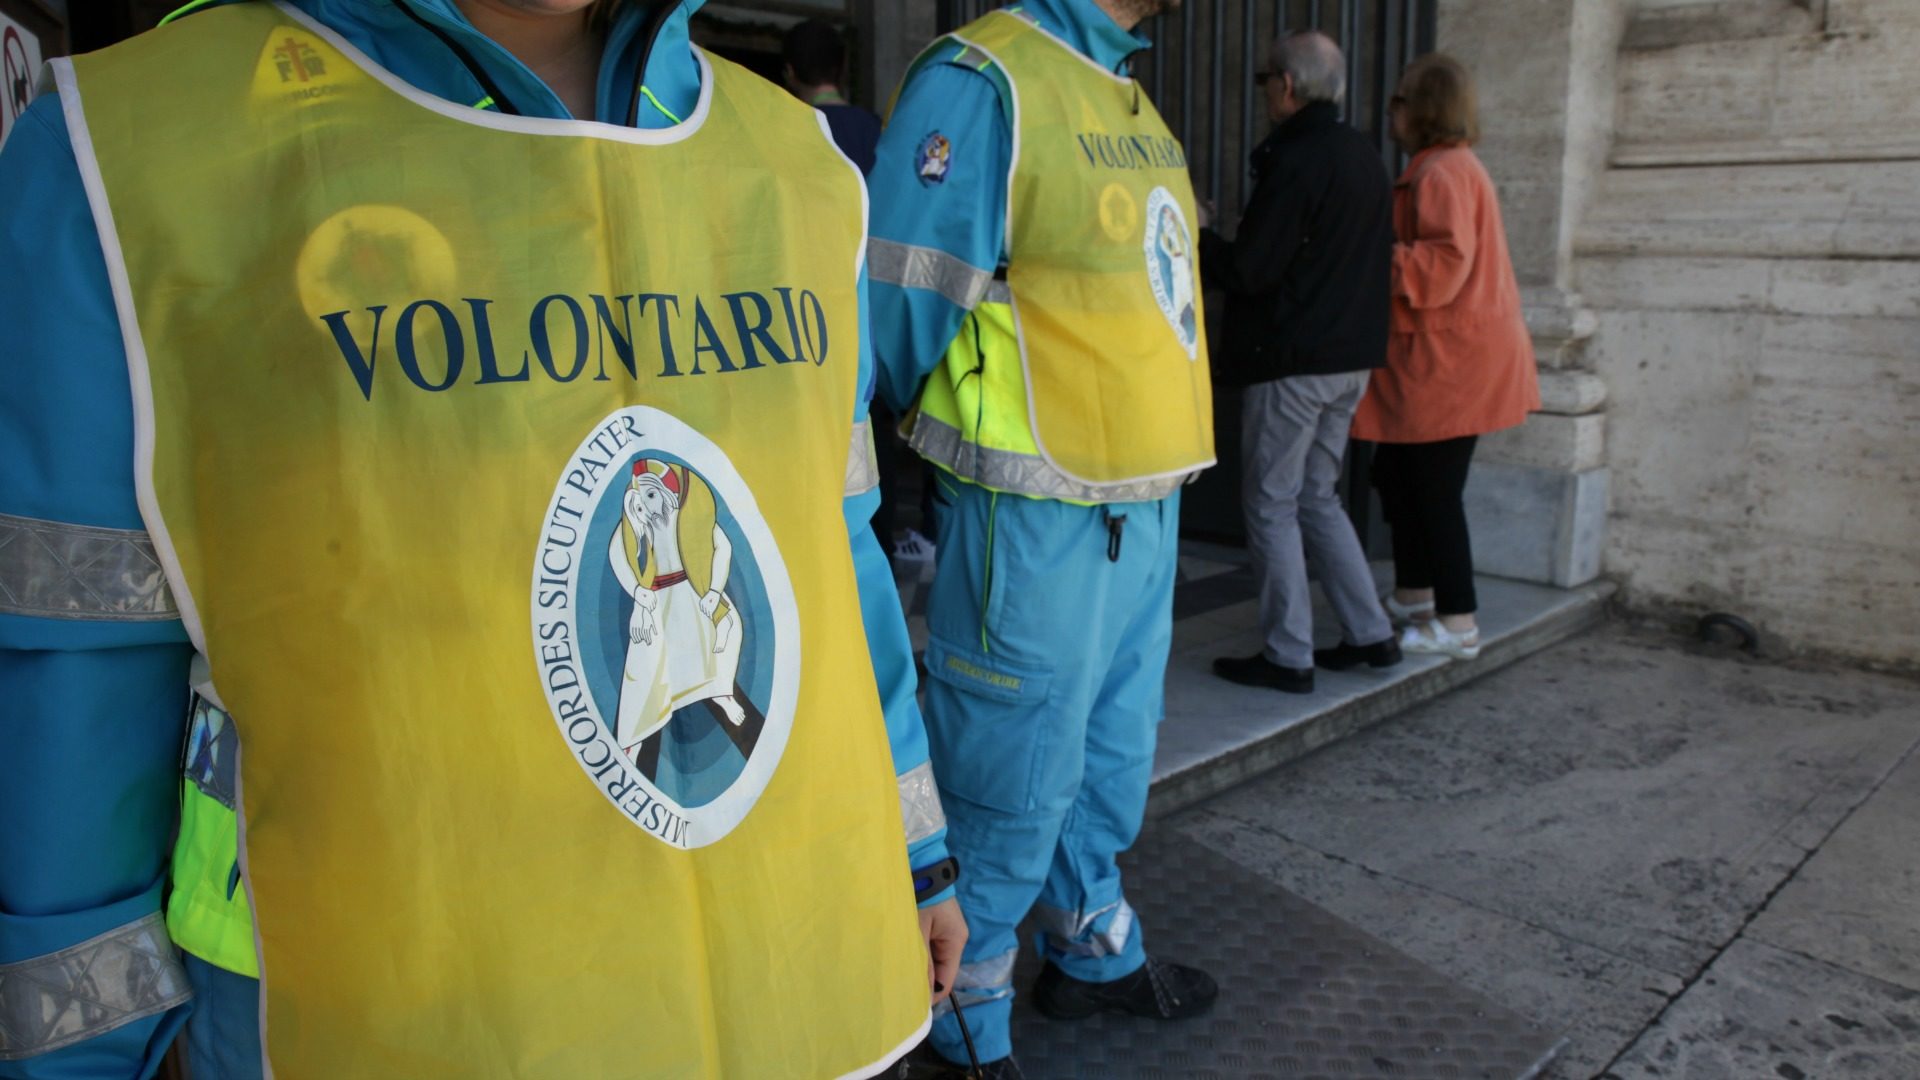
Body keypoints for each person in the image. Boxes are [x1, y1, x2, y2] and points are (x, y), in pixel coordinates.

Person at [0, 1, 966, 1076]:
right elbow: (67, 684)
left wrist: (919, 856)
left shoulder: (795, 164)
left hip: (803, 998)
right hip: (402, 1023)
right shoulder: (129, 160)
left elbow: (834, 561)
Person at [869, 1, 1218, 1076]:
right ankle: (961, 1013)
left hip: (1140, 503)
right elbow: (887, 318)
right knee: (1005, 776)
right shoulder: (983, 81)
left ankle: (1089, 945)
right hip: (1033, 515)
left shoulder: (1124, 88)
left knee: (1105, 763)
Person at [1202, 30, 1401, 694]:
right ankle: (1371, 631)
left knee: (1270, 501)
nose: (1264, 92)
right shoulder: (1362, 154)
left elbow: (1252, 269)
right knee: (1317, 496)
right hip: (1350, 358)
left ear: (1286, 85)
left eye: (1265, 80)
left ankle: (1288, 654)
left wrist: (1197, 236)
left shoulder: (1297, 159)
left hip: (1293, 359)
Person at [1353, 52, 1540, 660]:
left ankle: (1458, 623)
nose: (1391, 110)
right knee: (1402, 479)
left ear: (1426, 109)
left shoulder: (1441, 174)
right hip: (1446, 360)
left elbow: (1443, 265)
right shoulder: (1444, 169)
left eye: (1401, 99)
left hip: (1450, 364)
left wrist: (1362, 254)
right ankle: (1416, 596)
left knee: (1432, 491)